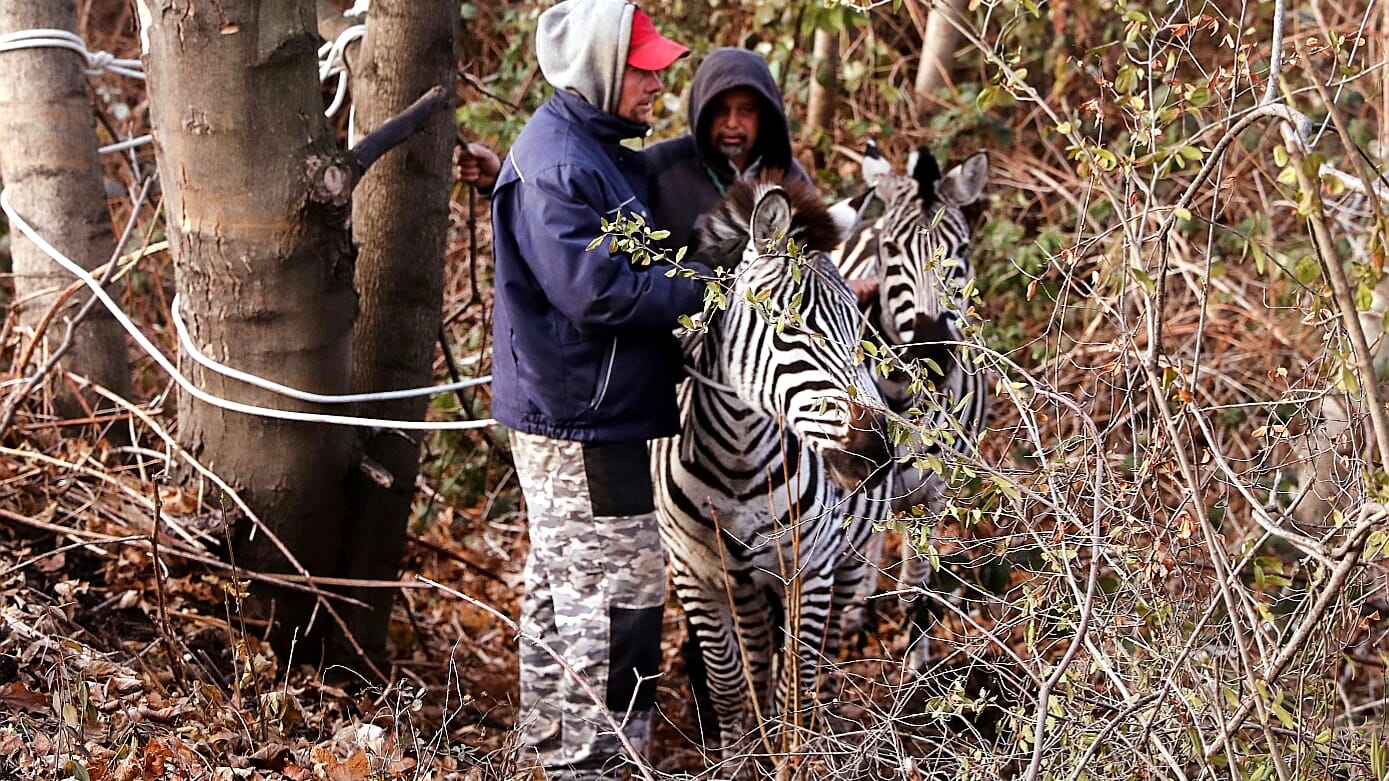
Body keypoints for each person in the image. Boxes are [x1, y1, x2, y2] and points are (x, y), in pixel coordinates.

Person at [486, 2, 703, 779]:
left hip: (579, 409)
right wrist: (707, 292)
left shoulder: (592, 149)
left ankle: (553, 755)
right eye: (643, 66)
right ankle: (598, 766)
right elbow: (598, 292)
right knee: (620, 601)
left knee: (562, 592)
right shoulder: (562, 162)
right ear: (601, 68)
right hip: (582, 418)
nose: (657, 78)